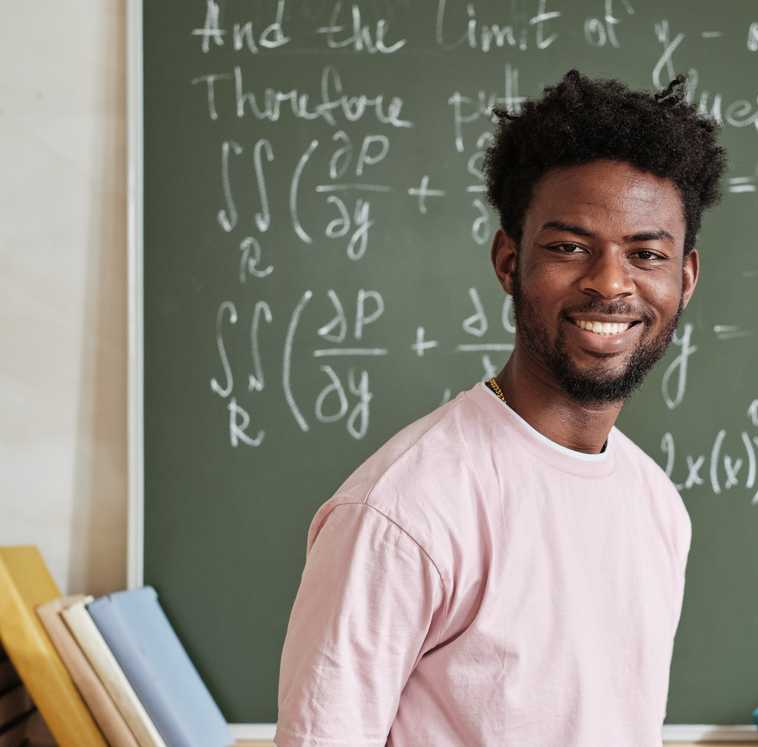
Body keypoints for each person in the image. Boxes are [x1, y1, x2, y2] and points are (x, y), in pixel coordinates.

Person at [275, 69, 726, 746]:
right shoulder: (403, 510)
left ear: (683, 278)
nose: (609, 282)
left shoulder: (656, 506)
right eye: (569, 247)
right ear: (509, 262)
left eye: (645, 253)